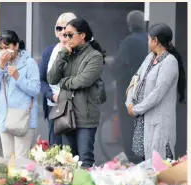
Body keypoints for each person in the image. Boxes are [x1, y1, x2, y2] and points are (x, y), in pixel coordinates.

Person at [47, 19, 106, 168]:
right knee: (69, 161)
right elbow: (52, 79)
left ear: (82, 35)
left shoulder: (95, 56)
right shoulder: (67, 54)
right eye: (64, 35)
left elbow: (83, 81)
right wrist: (61, 55)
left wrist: (64, 82)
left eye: (70, 35)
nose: (66, 38)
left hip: (85, 116)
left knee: (85, 159)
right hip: (66, 114)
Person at [126, 23, 186, 161]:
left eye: (148, 39)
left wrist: (136, 109)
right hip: (144, 119)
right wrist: (129, 103)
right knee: (147, 162)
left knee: (159, 163)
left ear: (155, 40)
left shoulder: (170, 62)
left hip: (159, 121)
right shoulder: (150, 57)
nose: (148, 42)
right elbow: (135, 78)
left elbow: (158, 93)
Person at [0, 30, 40, 159]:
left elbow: (35, 89)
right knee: (7, 159)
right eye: (1, 48)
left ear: (16, 46)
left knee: (21, 160)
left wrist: (18, 77)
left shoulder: (29, 62)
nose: (4, 51)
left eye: (7, 47)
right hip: (4, 117)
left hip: (22, 118)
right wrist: (0, 67)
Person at [108, 10, 148, 163]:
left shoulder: (129, 42)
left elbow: (120, 67)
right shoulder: (152, 41)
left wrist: (111, 63)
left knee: (128, 125)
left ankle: (133, 160)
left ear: (130, 25)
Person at [39, 12, 76, 147]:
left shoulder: (80, 52)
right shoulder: (49, 51)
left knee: (71, 151)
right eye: (59, 28)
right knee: (55, 149)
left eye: (65, 28)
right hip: (53, 106)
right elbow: (41, 80)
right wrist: (52, 96)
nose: (62, 32)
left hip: (74, 108)